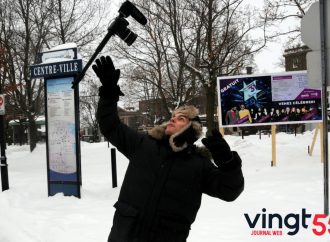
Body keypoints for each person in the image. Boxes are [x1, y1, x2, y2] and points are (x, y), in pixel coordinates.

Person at [94, 56, 244, 242]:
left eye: (181, 118)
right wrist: (109, 92)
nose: (173, 119)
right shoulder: (144, 144)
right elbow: (110, 125)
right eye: (173, 116)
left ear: (193, 128)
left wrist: (228, 163)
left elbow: (230, 191)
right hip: (125, 235)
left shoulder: (199, 165)